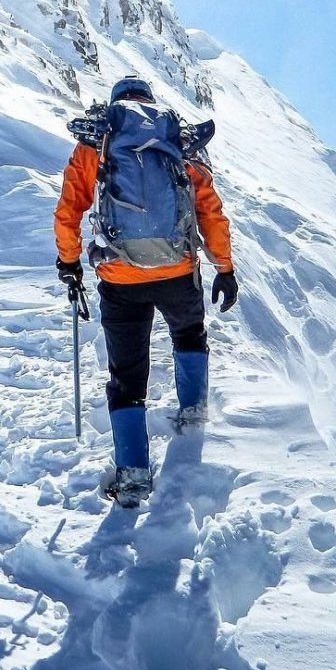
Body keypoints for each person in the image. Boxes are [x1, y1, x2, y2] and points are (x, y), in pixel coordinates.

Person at [54, 75, 238, 505]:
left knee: (127, 377)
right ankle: (194, 414)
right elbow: (209, 210)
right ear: (150, 102)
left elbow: (69, 210)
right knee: (190, 336)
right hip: (178, 269)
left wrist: (69, 264)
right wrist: (224, 268)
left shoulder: (97, 140)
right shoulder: (177, 140)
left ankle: (134, 474)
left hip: (120, 277)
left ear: (115, 103)